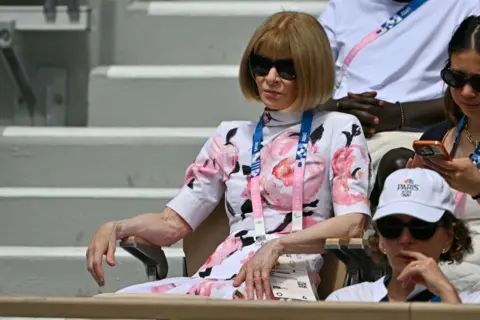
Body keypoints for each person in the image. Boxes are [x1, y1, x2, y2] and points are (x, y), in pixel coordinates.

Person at [86, 11, 372, 300]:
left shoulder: (340, 128)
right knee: (108, 306)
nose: (270, 79)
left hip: (283, 281)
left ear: (313, 71)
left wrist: (279, 245)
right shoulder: (230, 137)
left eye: (287, 70)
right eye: (261, 66)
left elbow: (353, 223)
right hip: (220, 275)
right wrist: (118, 227)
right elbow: (172, 224)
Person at [318, 0, 480, 178]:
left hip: (410, 135)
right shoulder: (343, 5)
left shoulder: (467, 5)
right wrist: (340, 108)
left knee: (400, 169)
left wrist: (400, 114)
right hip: (335, 129)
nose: (466, 90)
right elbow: (299, 78)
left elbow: (467, 92)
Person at [326, 168, 480, 303]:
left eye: (421, 227)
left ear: (448, 237)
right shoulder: (345, 302)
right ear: (380, 238)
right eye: (391, 227)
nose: (405, 239)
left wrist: (446, 292)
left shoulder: (473, 304)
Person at [407, 16, 480, 292]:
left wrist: (478, 189)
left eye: (479, 82)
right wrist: (413, 193)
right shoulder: (437, 136)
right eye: (456, 78)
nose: (467, 92)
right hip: (436, 276)